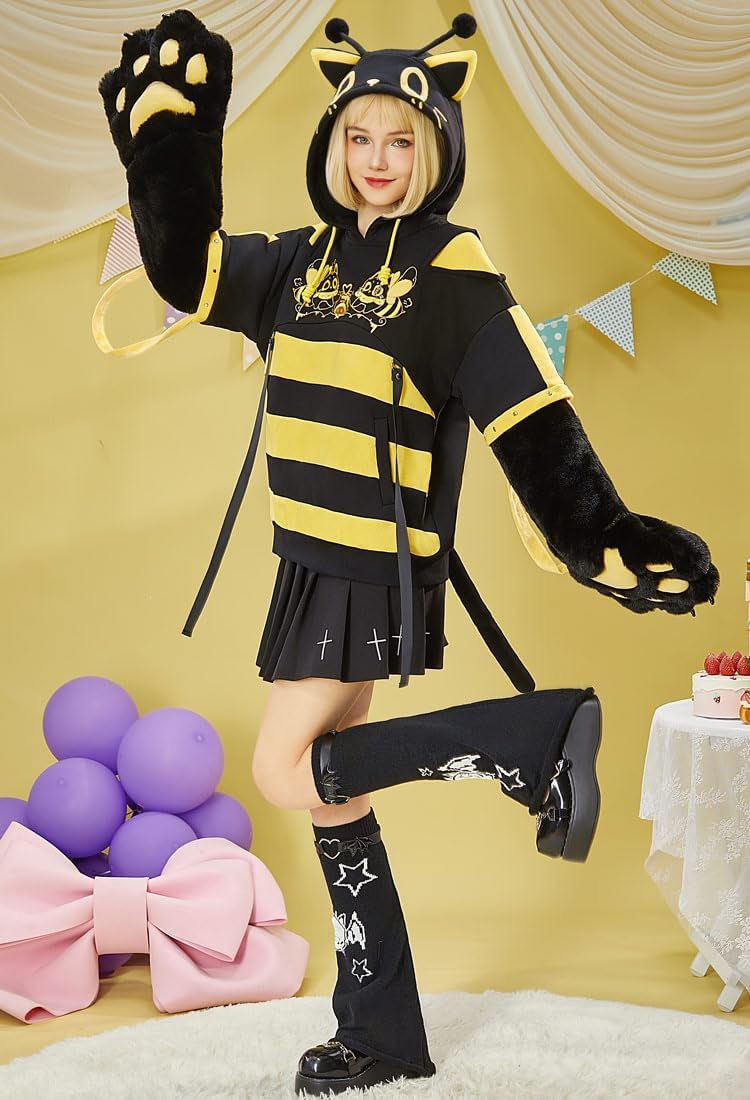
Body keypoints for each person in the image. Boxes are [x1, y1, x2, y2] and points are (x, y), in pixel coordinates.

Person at [98, 9, 719, 1095]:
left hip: (370, 568)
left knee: (282, 769)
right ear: (333, 143)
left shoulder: (451, 269)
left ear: (434, 149)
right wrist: (171, 148)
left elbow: (526, 409)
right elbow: (187, 272)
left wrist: (600, 531)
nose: (376, 160)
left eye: (400, 140)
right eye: (358, 137)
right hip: (307, 560)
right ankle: (381, 1031)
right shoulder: (297, 262)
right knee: (333, 793)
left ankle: (533, 738)